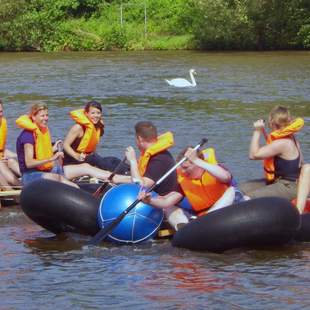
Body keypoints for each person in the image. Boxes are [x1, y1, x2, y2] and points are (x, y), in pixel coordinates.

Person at [139, 146, 235, 230]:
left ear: (197, 163)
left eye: (186, 167)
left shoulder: (214, 169)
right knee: (169, 208)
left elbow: (226, 177)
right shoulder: (183, 182)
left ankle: (207, 218)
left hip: (226, 212)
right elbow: (166, 202)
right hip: (202, 220)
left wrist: (196, 160)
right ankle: (184, 229)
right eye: (182, 168)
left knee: (231, 191)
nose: (183, 172)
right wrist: (149, 200)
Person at [16, 102, 111, 187]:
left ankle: (120, 179)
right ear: (33, 117)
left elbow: (40, 152)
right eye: (42, 116)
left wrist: (53, 149)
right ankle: (77, 191)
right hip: (30, 175)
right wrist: (52, 158)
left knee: (85, 167)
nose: (46, 118)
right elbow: (29, 163)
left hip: (46, 170)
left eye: (46, 115)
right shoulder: (27, 136)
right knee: (59, 178)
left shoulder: (42, 131)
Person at [239, 105, 304, 201]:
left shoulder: (283, 143)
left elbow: (253, 155)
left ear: (272, 121)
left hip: (289, 186)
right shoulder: (290, 137)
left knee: (246, 198)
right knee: (238, 189)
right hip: (277, 181)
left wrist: (257, 131)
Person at [106, 121, 178, 196]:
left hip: (158, 200)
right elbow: (139, 179)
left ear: (139, 139)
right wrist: (116, 179)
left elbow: (140, 185)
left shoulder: (159, 159)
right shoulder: (158, 155)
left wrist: (132, 160)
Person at [63, 101, 128, 174]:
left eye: (98, 113)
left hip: (89, 157)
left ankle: (130, 169)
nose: (96, 115)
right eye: (93, 113)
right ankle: (125, 173)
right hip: (73, 160)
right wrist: (76, 156)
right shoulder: (78, 128)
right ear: (86, 114)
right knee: (99, 161)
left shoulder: (97, 126)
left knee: (113, 159)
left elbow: (92, 145)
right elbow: (65, 145)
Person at [0, 99, 21, 190]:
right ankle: (16, 194)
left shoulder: (3, 123)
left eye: (1, 111)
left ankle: (29, 183)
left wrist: (18, 156)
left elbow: (3, 149)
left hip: (2, 159)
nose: (0, 114)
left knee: (12, 161)